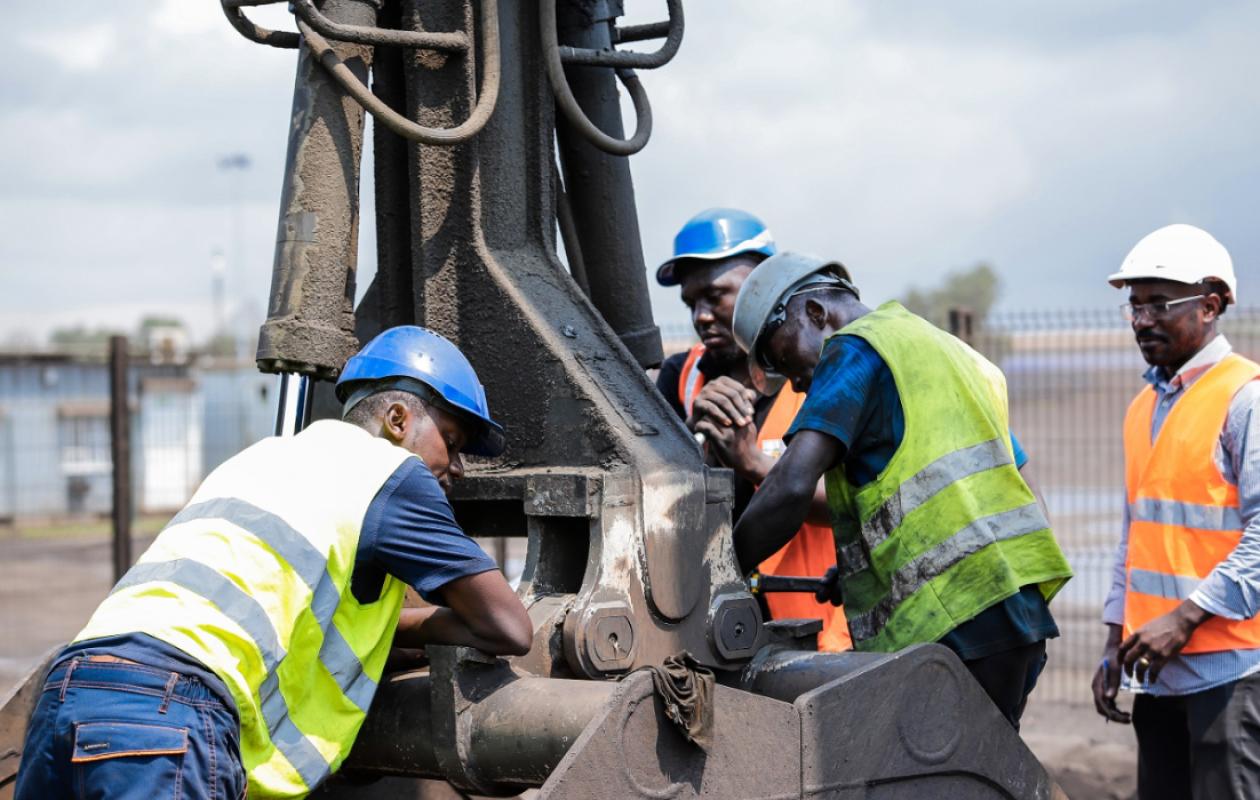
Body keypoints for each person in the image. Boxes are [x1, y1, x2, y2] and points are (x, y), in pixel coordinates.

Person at [14, 326, 532, 800]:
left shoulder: (262, 458)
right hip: (170, 710)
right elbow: (509, 626)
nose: (457, 468)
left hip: (69, 690)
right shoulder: (391, 474)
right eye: (453, 442)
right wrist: (412, 628)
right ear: (398, 420)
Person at [728, 251, 1072, 727]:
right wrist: (867, 567)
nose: (798, 383)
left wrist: (722, 568)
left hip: (959, 622)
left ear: (814, 313)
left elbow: (791, 486)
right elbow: (1001, 483)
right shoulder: (947, 350)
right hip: (1016, 612)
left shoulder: (855, 349)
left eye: (780, 354)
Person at [1091, 224, 1260, 800]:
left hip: (1233, 675)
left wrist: (1185, 618)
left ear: (1211, 305)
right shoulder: (1144, 406)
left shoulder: (1246, 398)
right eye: (1134, 306)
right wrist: (1115, 641)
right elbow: (1134, 537)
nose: (1142, 320)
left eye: (1159, 304)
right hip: (1157, 676)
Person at [654, 208, 850, 651]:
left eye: (716, 295)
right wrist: (694, 440)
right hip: (714, 629)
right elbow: (656, 494)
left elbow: (853, 505)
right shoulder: (681, 379)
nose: (701, 316)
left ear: (764, 283)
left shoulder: (817, 376)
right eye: (691, 304)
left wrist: (755, 465)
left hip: (817, 629)